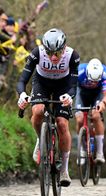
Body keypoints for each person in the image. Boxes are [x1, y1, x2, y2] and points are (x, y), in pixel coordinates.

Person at [16, 28, 80, 187]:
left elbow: (73, 85)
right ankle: (41, 139)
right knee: (37, 111)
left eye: (57, 53)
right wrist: (22, 95)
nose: (53, 57)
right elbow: (22, 80)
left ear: (64, 48)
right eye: (49, 53)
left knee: (62, 123)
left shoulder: (73, 56)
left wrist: (69, 97)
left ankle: (64, 169)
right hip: (42, 83)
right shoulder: (37, 53)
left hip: (63, 85)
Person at [74, 58, 106, 164]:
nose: (93, 83)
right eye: (91, 80)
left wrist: (103, 103)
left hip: (97, 94)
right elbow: (71, 88)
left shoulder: (105, 73)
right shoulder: (79, 71)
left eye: (96, 81)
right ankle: (82, 149)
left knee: (96, 115)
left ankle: (100, 152)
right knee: (80, 119)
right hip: (81, 92)